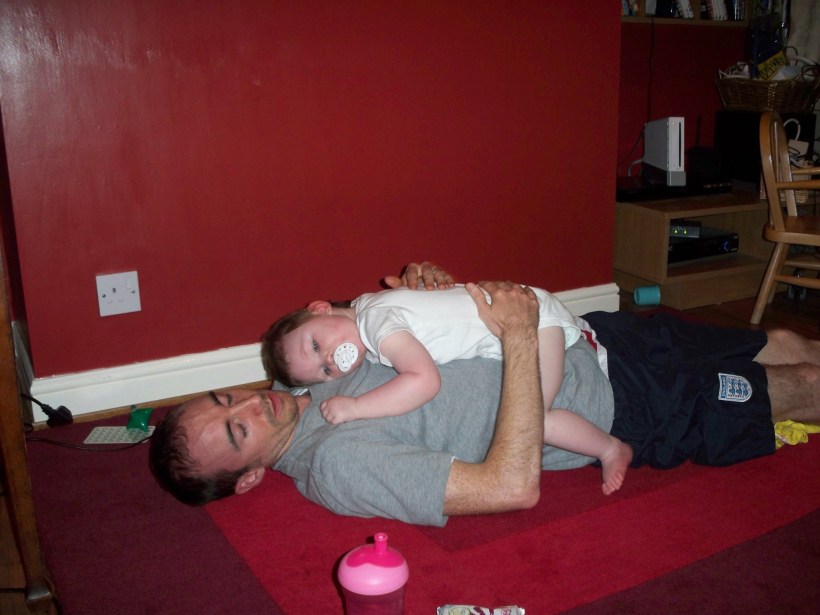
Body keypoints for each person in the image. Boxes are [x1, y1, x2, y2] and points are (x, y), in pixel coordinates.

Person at [148, 262, 820, 527]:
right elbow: (509, 487)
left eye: (224, 398)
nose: (251, 404)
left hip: (587, 332)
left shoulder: (297, 369)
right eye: (237, 430)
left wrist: (427, 293)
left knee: (785, 340)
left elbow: (382, 327)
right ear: (250, 477)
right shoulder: (336, 463)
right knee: (803, 386)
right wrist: (519, 336)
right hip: (616, 403)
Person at [261, 284, 633, 495]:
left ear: (321, 309)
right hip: (525, 306)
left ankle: (610, 448)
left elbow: (424, 381)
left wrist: (356, 407)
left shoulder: (377, 325)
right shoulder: (366, 308)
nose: (331, 357)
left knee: (534, 419)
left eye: (316, 345)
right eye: (326, 370)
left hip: (533, 321)